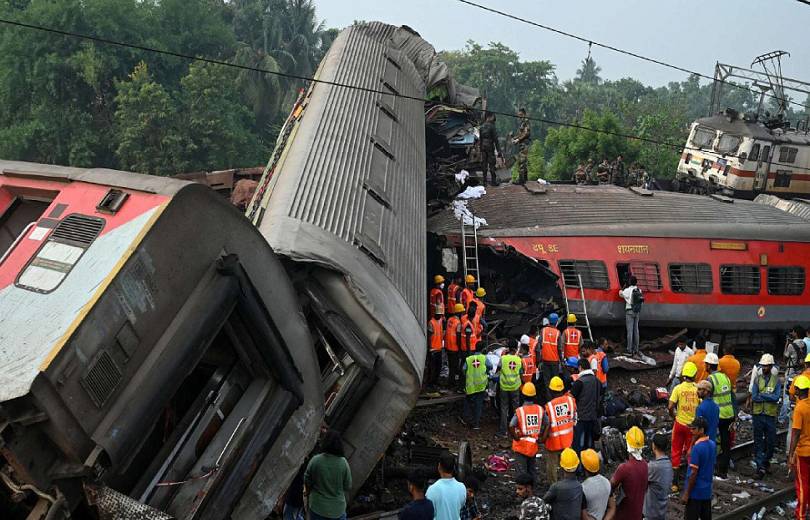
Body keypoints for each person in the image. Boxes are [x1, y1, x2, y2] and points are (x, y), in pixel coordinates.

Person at [304, 430, 352, 520]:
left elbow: (307, 480)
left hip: (317, 508)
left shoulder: (316, 460)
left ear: (325, 442)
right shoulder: (343, 463)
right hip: (338, 510)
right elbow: (348, 486)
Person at [668, 361, 699, 491]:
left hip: (679, 424)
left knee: (676, 451)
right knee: (690, 453)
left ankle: (674, 484)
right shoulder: (698, 389)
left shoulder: (678, 388)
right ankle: (689, 483)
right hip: (692, 428)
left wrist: (673, 416)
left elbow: (670, 406)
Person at [751, 353, 781, 480]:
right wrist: (767, 397)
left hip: (769, 415)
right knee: (758, 442)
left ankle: (764, 461)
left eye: (766, 366)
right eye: (762, 366)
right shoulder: (758, 379)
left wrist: (762, 395)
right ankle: (760, 467)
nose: (764, 368)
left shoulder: (776, 381)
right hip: (758, 414)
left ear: (771, 366)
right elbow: (754, 397)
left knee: (771, 442)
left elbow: (776, 397)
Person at [705, 352, 735, 478]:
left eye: (706, 364)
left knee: (711, 441)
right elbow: (731, 396)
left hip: (718, 415)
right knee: (726, 443)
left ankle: (711, 467)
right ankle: (723, 471)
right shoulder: (726, 377)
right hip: (729, 414)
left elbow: (707, 398)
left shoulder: (710, 379)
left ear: (708, 365)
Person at [543, 376, 577, 484]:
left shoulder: (549, 406)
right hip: (568, 440)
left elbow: (546, 425)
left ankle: (553, 486)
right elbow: (575, 419)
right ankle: (566, 483)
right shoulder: (571, 401)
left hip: (553, 443)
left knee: (552, 467)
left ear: (551, 390)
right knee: (566, 464)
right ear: (562, 389)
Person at [510, 382, 547, 480]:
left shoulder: (520, 411)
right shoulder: (539, 409)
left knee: (522, 473)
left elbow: (511, 425)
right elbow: (547, 423)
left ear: (523, 395)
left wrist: (515, 436)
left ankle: (524, 492)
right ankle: (532, 489)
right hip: (533, 446)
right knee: (532, 470)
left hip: (521, 446)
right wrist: (543, 437)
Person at [681, 417, 716, 520]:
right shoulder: (712, 444)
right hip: (706, 492)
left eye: (694, 429)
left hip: (695, 493)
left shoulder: (698, 448)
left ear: (701, 430)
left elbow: (693, 473)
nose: (691, 431)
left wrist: (687, 494)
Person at [610, 426, 648, 520]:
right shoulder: (645, 465)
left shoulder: (624, 468)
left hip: (624, 514)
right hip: (638, 513)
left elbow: (610, 486)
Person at [543, 448, 587, 520]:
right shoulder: (579, 486)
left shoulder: (556, 487)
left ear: (561, 466)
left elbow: (544, 501)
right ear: (577, 465)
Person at [789, 374, 810, 520]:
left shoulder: (799, 408)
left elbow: (795, 433)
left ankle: (801, 515)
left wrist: (791, 454)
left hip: (803, 451)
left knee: (802, 485)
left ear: (798, 390)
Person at [571, 358, 601, 453]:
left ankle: (580, 464)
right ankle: (590, 463)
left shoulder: (579, 382)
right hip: (593, 417)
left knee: (579, 445)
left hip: (581, 417)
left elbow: (571, 398)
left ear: (580, 367)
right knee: (589, 444)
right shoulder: (597, 381)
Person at [426, 452, 466, 520]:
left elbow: (429, 512)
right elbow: (461, 506)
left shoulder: (432, 490)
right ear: (454, 468)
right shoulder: (462, 488)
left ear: (439, 466)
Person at [643, 433, 673, 520]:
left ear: (654, 446)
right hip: (662, 509)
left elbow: (642, 483)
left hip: (651, 511)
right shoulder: (668, 464)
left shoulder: (653, 466)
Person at [498, 345, 524, 436]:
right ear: (515, 349)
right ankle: (516, 429)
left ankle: (503, 431)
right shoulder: (518, 359)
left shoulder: (503, 358)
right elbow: (521, 373)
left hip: (504, 386)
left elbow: (498, 369)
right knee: (516, 409)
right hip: (515, 386)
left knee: (504, 408)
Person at [537, 313, 563, 402]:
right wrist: (561, 360)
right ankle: (555, 401)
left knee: (547, 382)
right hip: (555, 361)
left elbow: (539, 345)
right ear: (556, 322)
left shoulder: (543, 331)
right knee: (555, 381)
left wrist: (539, 359)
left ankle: (549, 402)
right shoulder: (558, 333)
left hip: (545, 360)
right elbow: (559, 349)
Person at [462, 349, 491, 430]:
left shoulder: (469, 359)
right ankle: (476, 424)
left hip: (471, 385)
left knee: (468, 402)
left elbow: (464, 369)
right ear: (483, 349)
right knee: (478, 404)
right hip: (481, 384)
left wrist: (468, 376)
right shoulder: (484, 358)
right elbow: (490, 366)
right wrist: (486, 371)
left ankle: (466, 420)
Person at [581, 449, 613, 520]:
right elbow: (612, 508)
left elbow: (584, 516)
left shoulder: (583, 488)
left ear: (585, 469)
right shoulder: (607, 482)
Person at [618, 276, 642, 357]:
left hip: (629, 311)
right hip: (637, 312)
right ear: (636, 282)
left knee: (630, 331)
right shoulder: (639, 290)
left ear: (629, 282)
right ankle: (636, 349)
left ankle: (629, 350)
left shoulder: (627, 290)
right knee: (636, 331)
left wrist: (622, 289)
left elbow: (620, 294)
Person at [478, 113, 501, 187]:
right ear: (489, 117)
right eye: (493, 118)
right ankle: (493, 181)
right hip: (490, 146)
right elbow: (496, 140)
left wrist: (480, 149)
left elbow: (480, 139)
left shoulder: (481, 127)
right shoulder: (492, 127)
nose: (494, 120)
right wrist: (499, 150)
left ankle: (484, 182)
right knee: (492, 164)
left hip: (483, 147)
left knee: (484, 164)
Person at [445, 304, 464, 389]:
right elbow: (458, 336)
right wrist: (460, 348)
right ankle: (451, 384)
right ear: (459, 312)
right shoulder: (458, 323)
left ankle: (450, 382)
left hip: (448, 346)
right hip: (454, 348)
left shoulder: (449, 320)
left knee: (450, 366)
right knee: (454, 367)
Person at [513, 108, 531, 185]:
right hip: (522, 144)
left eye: (521, 115)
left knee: (521, 161)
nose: (519, 117)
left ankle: (521, 180)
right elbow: (521, 133)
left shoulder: (526, 122)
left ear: (524, 114)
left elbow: (526, 133)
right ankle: (525, 179)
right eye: (518, 115)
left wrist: (518, 140)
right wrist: (515, 138)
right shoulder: (522, 123)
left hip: (524, 144)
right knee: (523, 162)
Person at [426, 311, 444, 387]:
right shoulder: (431, 322)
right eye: (439, 315)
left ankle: (436, 381)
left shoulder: (440, 320)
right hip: (433, 349)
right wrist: (430, 347)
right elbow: (429, 336)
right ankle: (431, 383)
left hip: (439, 347)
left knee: (438, 366)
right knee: (432, 367)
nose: (440, 316)